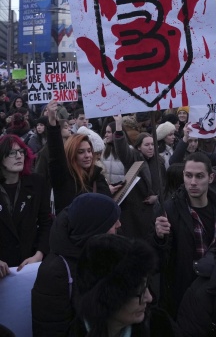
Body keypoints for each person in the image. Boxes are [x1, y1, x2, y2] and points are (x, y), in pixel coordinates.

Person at [153, 152, 216, 318]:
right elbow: (158, 263)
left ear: (211, 178)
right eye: (188, 175)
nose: (193, 182)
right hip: (183, 295)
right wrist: (159, 238)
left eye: (199, 176)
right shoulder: (169, 210)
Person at [32, 193, 121, 336]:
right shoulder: (54, 273)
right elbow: (50, 330)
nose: (119, 224)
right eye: (112, 221)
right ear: (94, 227)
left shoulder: (108, 253)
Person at [67, 234, 155, 336]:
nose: (149, 298)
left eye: (146, 285)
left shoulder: (161, 327)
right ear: (106, 300)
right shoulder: (73, 332)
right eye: (138, 291)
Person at [46, 100, 111, 215]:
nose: (87, 156)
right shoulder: (64, 178)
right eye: (81, 152)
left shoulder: (98, 177)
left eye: (89, 151)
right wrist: (52, 123)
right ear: (72, 154)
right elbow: (56, 156)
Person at [0, 134, 51, 276]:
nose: (18, 156)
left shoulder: (36, 183)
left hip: (30, 266)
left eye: (21, 151)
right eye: (11, 153)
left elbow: (46, 222)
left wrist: (39, 254)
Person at [113, 114, 164, 241]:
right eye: (147, 145)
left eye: (153, 144)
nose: (151, 147)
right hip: (134, 214)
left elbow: (165, 186)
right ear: (139, 147)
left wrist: (157, 197)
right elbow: (122, 150)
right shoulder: (133, 158)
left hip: (153, 213)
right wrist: (119, 126)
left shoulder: (159, 161)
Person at [101, 121, 127, 185]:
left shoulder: (128, 150)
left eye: (109, 132)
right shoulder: (102, 148)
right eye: (106, 132)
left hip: (122, 187)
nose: (105, 135)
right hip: (107, 188)